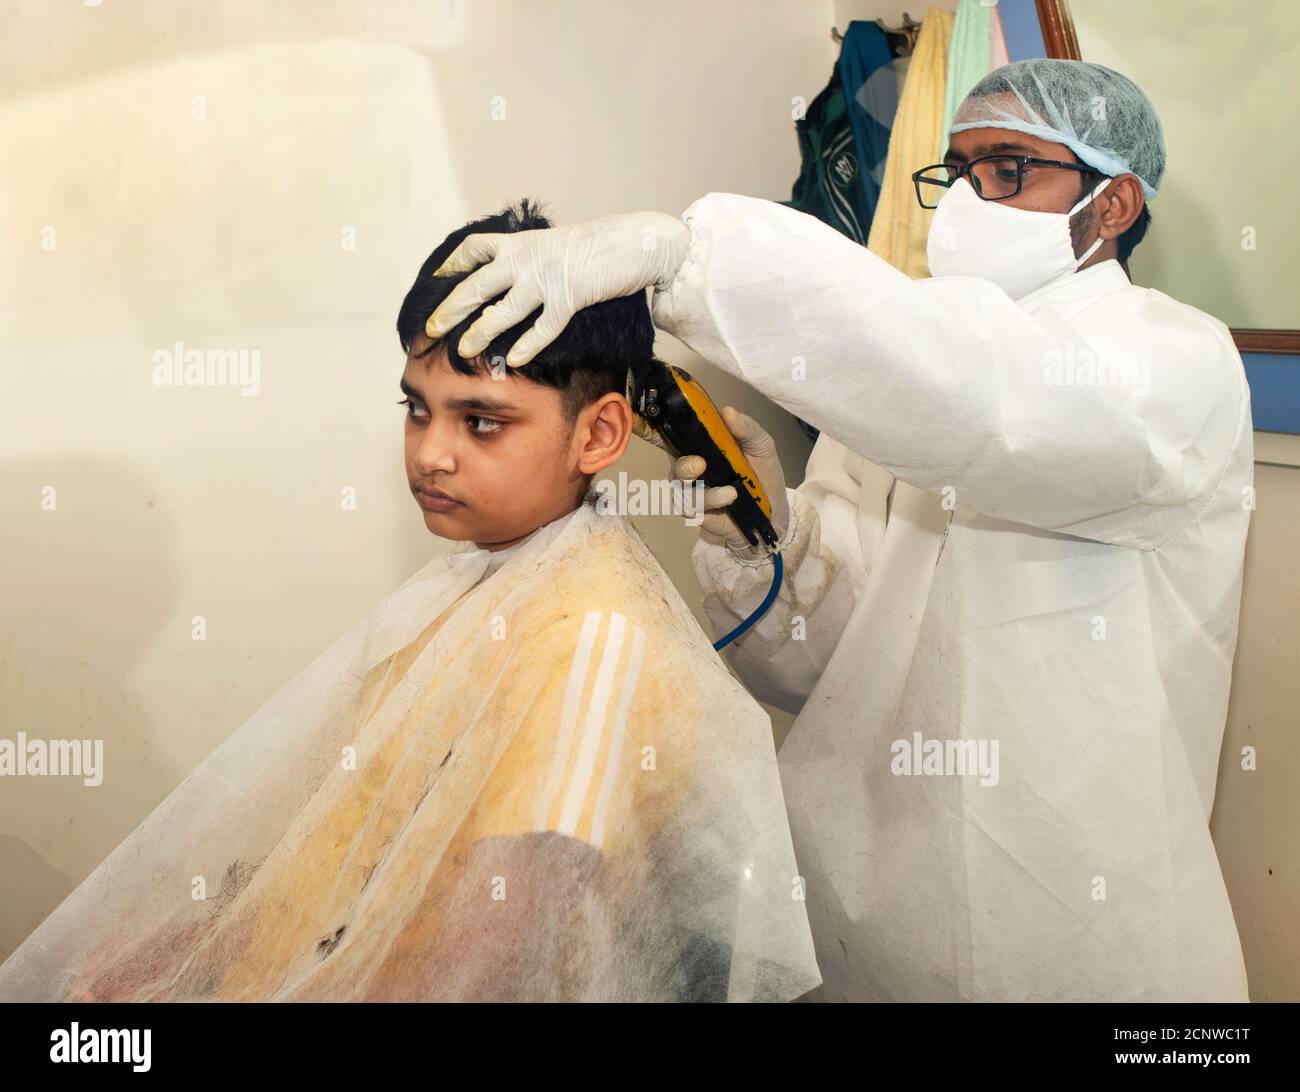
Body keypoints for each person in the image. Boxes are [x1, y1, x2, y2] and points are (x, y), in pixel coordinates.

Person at [422, 61, 1255, 1002]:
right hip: (870, 933)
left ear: (1114, 204)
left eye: (1010, 171)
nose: (972, 200)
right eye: (958, 172)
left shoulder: (1170, 362)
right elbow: (823, 666)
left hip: (1074, 935)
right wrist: (766, 535)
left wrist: (689, 258)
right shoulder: (908, 377)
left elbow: (991, 402)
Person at [0, 200, 820, 1003]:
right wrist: (190, 952)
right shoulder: (473, 584)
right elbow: (336, 844)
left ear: (600, 436)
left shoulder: (591, 643)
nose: (431, 454)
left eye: (483, 422)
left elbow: (492, 961)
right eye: (416, 409)